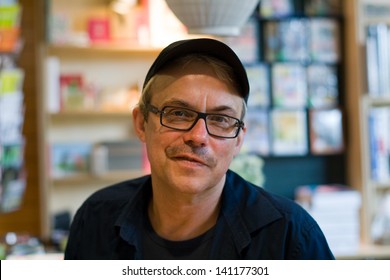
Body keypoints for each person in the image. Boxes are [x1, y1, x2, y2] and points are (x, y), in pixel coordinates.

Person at [64, 38, 335, 260]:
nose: (198, 137)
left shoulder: (291, 237)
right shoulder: (96, 219)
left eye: (221, 119)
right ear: (141, 123)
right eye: (179, 114)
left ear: (238, 139)